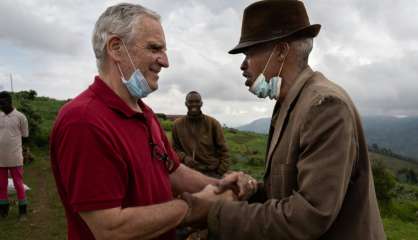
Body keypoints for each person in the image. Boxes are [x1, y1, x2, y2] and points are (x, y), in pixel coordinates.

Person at [184, 1, 386, 239]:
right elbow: (290, 191)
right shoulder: (289, 104)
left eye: (250, 53)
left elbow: (309, 216)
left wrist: (216, 214)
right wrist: (251, 190)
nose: (242, 65)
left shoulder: (324, 106)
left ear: (281, 52)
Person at [50, 3, 250, 240]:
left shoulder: (144, 114)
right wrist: (193, 206)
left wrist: (220, 185)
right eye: (155, 48)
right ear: (116, 48)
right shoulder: (84, 121)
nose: (165, 62)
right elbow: (109, 228)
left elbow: (172, 172)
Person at [172, 91, 230, 178]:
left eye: (197, 101)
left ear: (201, 103)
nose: (194, 104)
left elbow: (224, 150)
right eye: (191, 102)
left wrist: (219, 172)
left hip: (211, 172)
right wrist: (184, 158)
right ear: (186, 103)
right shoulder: (177, 124)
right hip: (187, 172)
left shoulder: (212, 123)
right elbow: (174, 148)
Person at [0, 91, 29, 219]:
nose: (2, 105)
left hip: (15, 157)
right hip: (0, 158)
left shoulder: (20, 117)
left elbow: (25, 135)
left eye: (3, 102)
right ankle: (3, 211)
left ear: (10, 102)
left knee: (18, 184)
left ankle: (23, 211)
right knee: (1, 185)